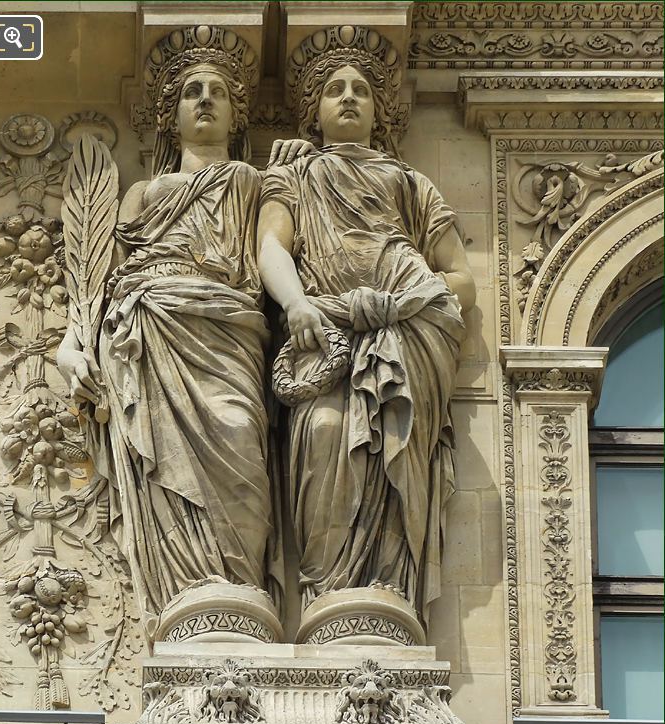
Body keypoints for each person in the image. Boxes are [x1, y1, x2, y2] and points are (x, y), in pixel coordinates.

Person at [57, 28, 276, 635]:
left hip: (228, 331)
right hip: (151, 328)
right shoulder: (143, 193)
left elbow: (279, 263)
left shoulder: (252, 184)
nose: (203, 99)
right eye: (190, 92)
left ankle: (237, 587)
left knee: (237, 434)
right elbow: (102, 282)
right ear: (170, 115)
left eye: (217, 92)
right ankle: (191, 591)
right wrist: (75, 344)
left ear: (236, 114)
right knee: (164, 462)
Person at [257, 28, 476, 636]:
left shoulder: (410, 185)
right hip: (322, 332)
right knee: (326, 433)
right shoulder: (294, 178)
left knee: (390, 446)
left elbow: (460, 280)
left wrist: (402, 305)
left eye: (360, 89)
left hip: (402, 338)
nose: (348, 97)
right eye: (334, 89)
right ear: (314, 110)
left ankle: (381, 590)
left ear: (380, 110)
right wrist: (298, 305)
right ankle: (331, 592)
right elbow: (270, 248)